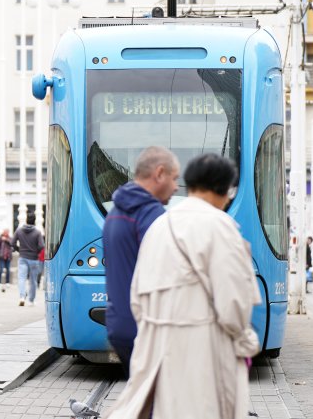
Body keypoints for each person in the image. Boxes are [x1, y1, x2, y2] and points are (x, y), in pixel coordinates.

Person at [107, 154, 259, 419]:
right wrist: (246, 340)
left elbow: (137, 298)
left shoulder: (159, 224)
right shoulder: (220, 226)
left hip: (156, 351)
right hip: (203, 352)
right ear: (225, 189)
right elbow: (233, 303)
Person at [102, 146, 178, 372]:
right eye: (174, 179)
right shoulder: (149, 214)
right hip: (146, 327)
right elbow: (168, 271)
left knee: (143, 399)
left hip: (120, 324)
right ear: (159, 173)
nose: (175, 188)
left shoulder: (116, 211)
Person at [13, 213, 45, 307]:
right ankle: (31, 300)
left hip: (22, 257)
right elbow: (41, 246)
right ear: (34, 221)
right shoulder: (37, 232)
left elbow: (12, 243)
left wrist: (19, 250)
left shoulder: (19, 231)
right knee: (33, 280)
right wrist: (35, 252)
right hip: (34, 259)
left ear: (26, 220)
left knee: (22, 278)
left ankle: (22, 296)